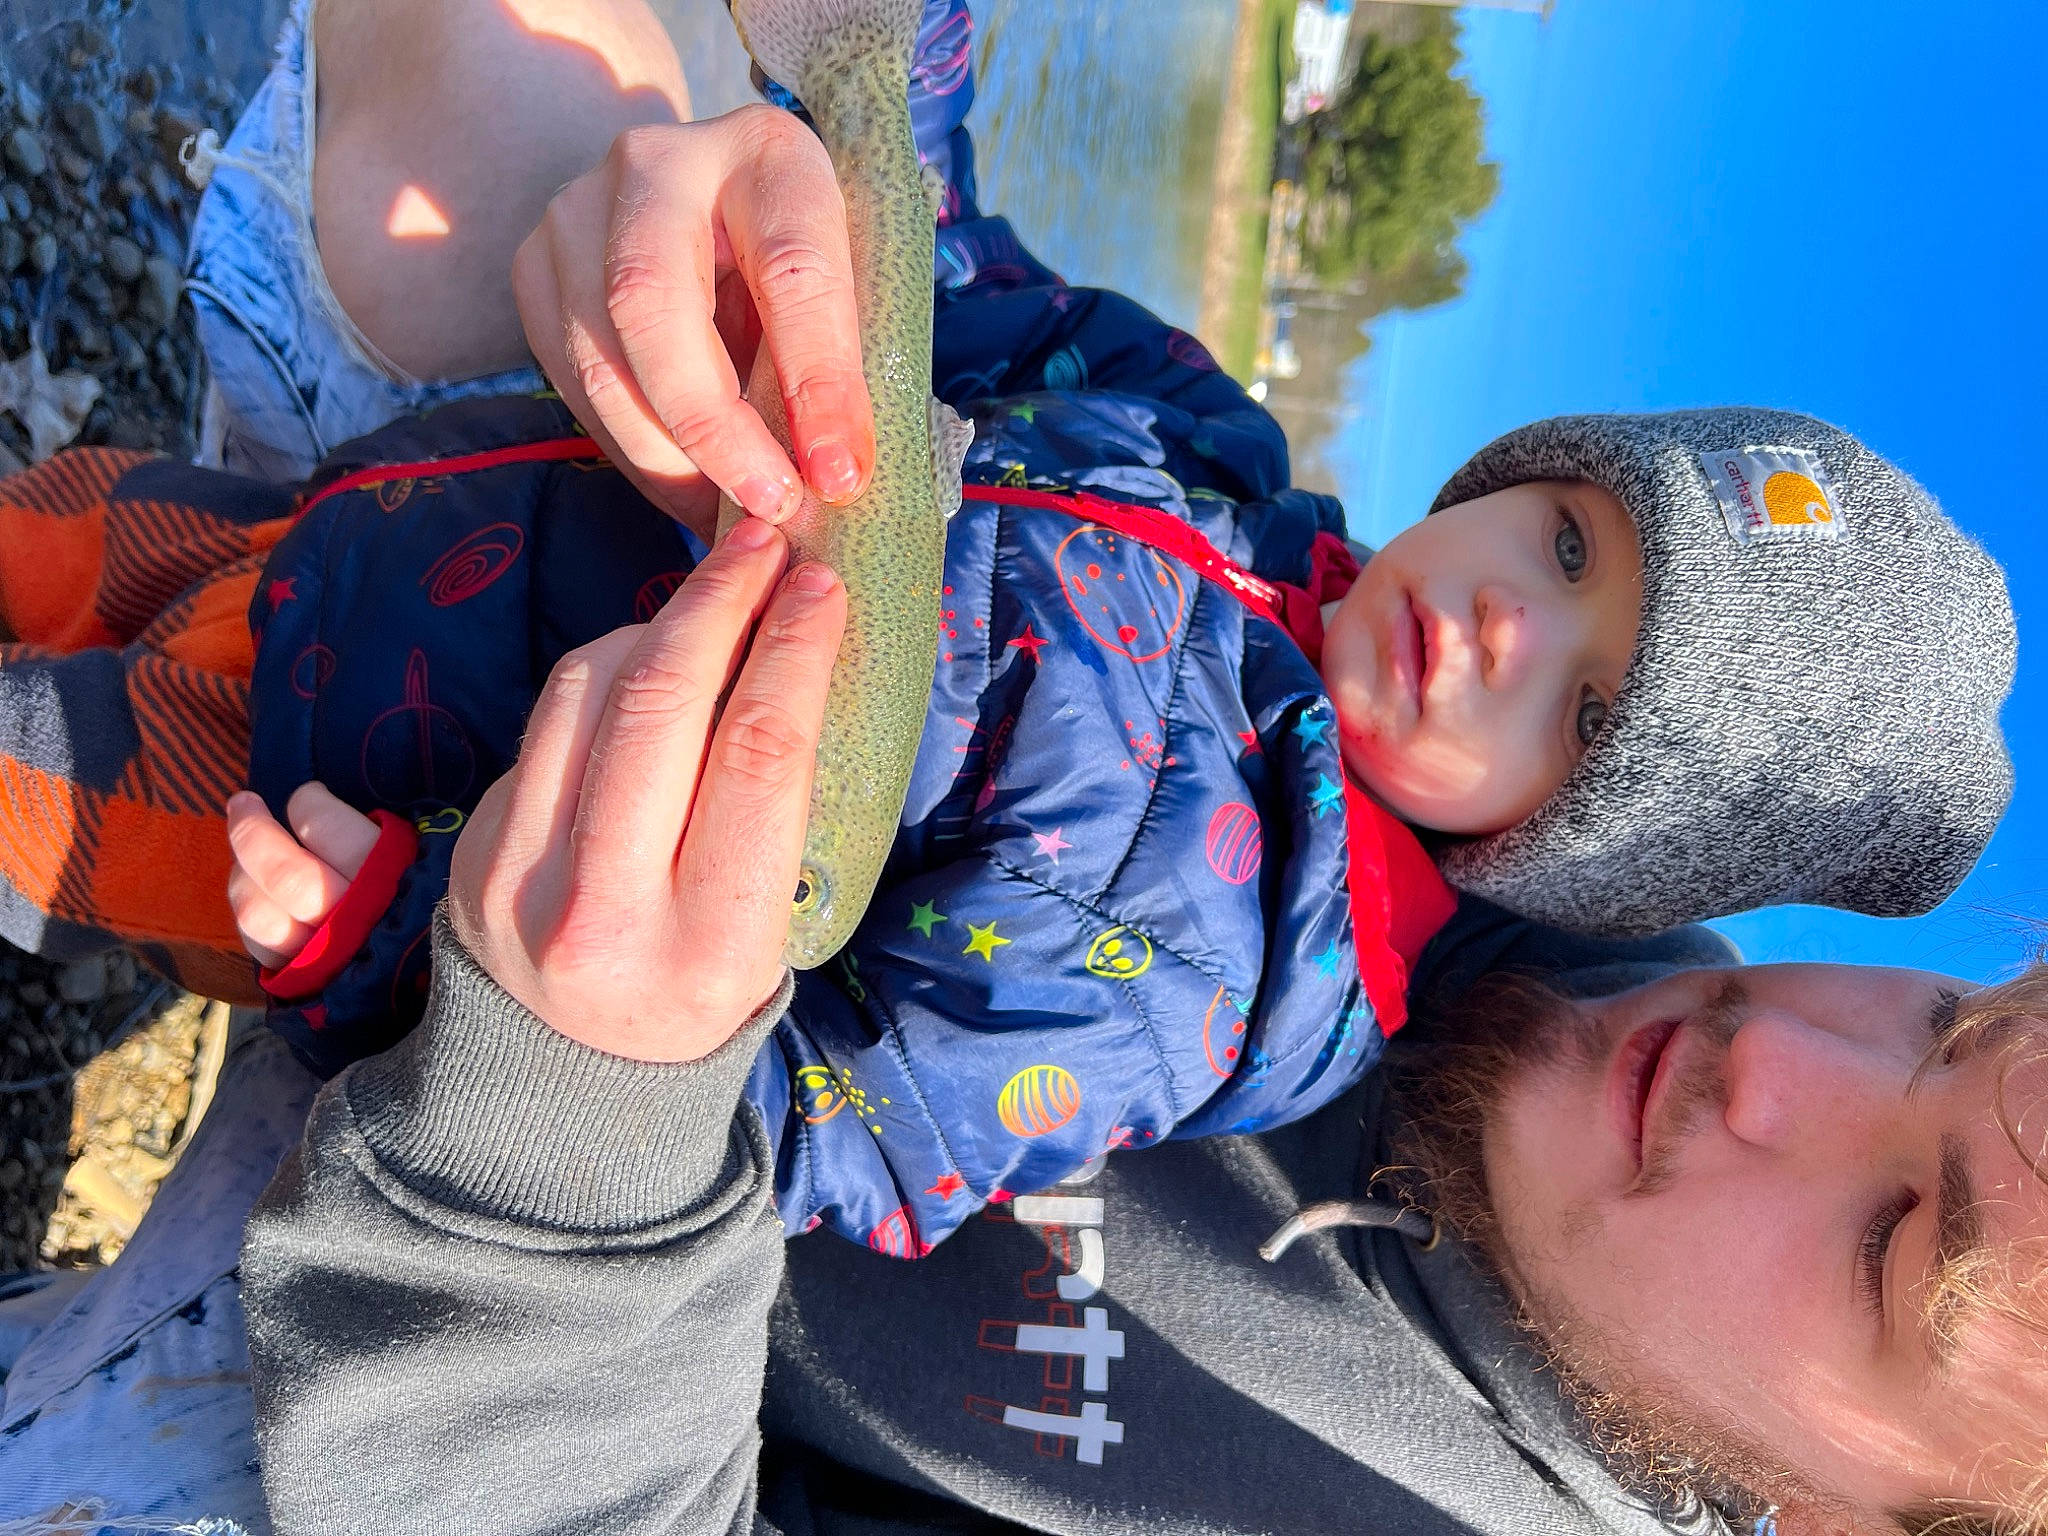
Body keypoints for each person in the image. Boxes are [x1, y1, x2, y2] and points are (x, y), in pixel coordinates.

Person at [0, 2, 2037, 1533]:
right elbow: (976, 293)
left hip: (403, 942)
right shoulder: (1262, 518)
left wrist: (486, 1041)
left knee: (53, 782)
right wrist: (835, 141)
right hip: (398, 543)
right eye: (1949, 1029)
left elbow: (842, 1122)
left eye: (1892, 1250)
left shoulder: (1226, 968)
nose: (1779, 1060)